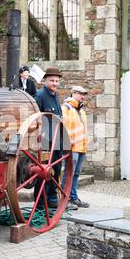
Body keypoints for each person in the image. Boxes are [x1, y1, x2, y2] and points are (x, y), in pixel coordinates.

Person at [34, 67, 78, 210]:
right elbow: (35, 120)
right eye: (51, 80)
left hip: (57, 140)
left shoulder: (55, 96)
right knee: (44, 172)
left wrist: (66, 138)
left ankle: (52, 199)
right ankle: (41, 203)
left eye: (57, 81)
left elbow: (59, 120)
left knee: (57, 170)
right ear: (45, 80)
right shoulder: (40, 96)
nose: (54, 83)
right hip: (46, 142)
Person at [62, 86, 90, 208]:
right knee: (69, 173)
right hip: (72, 147)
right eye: (80, 93)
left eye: (83, 94)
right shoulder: (66, 108)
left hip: (81, 146)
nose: (82, 96)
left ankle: (73, 197)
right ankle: (65, 199)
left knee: (76, 173)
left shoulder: (81, 110)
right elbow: (63, 126)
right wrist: (68, 142)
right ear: (73, 93)